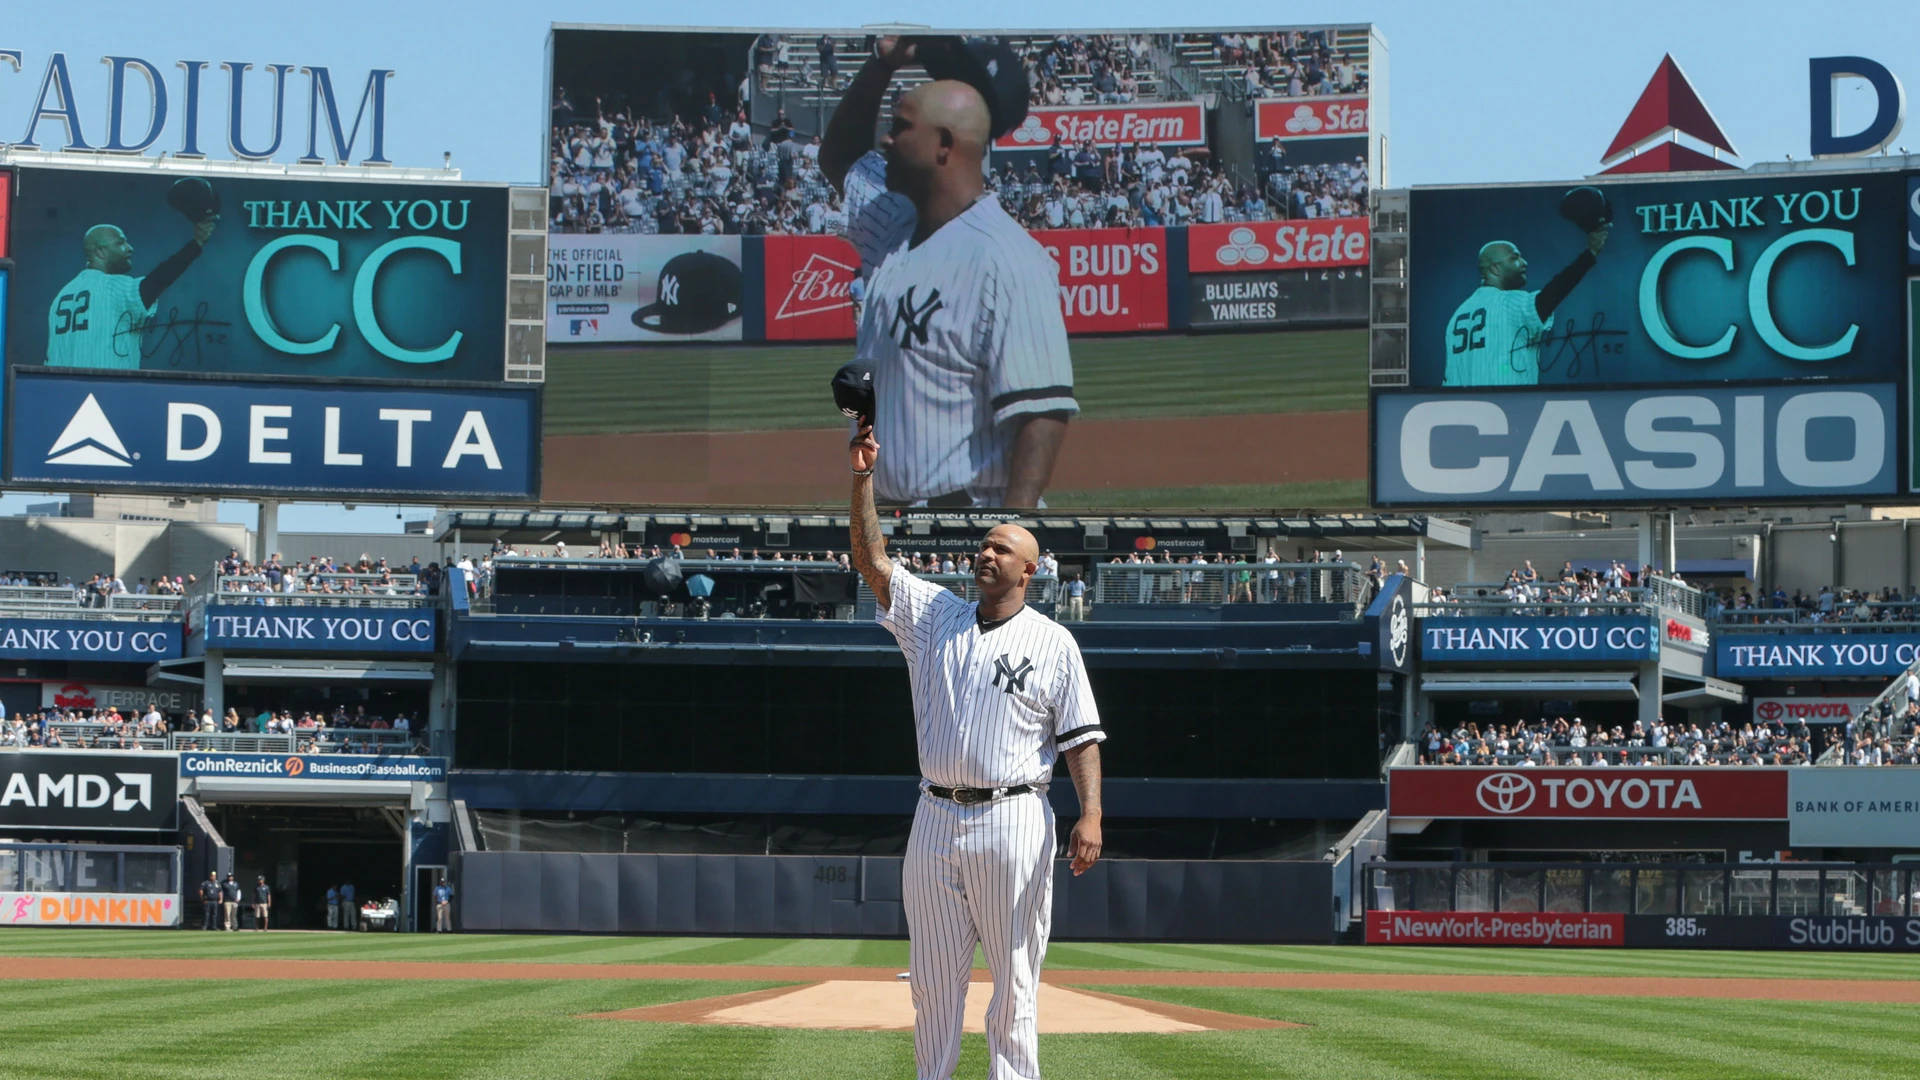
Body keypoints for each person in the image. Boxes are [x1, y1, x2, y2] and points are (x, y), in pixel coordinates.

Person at [847, 420, 1105, 1080]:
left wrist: (1092, 815)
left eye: (1001, 547)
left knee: (1015, 983)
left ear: (1029, 569)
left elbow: (1080, 738)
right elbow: (872, 563)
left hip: (1015, 817)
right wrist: (862, 476)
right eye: (983, 544)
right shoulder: (935, 615)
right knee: (933, 985)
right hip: (934, 817)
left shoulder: (1055, 643)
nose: (986, 552)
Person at [821, 37, 1075, 508]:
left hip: (964, 524)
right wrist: (882, 64)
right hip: (887, 524)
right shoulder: (893, 223)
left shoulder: (1007, 257)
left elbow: (1043, 412)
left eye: (901, 127)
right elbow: (841, 160)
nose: (886, 139)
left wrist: (1007, 544)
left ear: (943, 145)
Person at [45, 209, 219, 369]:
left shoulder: (61, 297)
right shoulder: (111, 288)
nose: (130, 248)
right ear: (100, 252)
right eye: (120, 242)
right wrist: (197, 243)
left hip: (62, 392)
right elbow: (158, 279)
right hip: (105, 392)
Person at [1442, 222, 1608, 387]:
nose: (1524, 262)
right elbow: (1553, 293)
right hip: (1507, 408)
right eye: (1514, 257)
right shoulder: (1508, 303)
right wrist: (1589, 254)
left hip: (1465, 408)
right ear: (1495, 269)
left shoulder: (1456, 317)